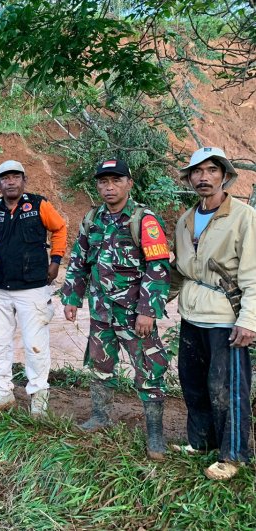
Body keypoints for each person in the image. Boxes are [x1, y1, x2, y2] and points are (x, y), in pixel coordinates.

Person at [61, 159, 171, 460]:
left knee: (149, 371)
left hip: (135, 316)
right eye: (103, 181)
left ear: (129, 183)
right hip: (101, 313)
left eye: (116, 180)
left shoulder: (143, 219)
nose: (109, 187)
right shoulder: (93, 218)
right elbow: (79, 260)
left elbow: (158, 268)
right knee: (100, 366)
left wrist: (148, 310)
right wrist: (72, 297)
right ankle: (101, 415)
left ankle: (155, 434)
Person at [171, 146, 256, 480]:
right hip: (192, 315)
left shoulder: (243, 217)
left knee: (227, 388)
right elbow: (179, 269)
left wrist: (249, 320)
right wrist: (157, 299)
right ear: (190, 178)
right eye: (197, 172)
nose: (203, 177)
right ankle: (201, 442)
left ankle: (234, 455)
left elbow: (252, 273)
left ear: (224, 176)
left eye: (211, 171)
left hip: (226, 318)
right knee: (193, 383)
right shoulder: (186, 219)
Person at [0, 160, 67, 416]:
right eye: (5, 178)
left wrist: (56, 260)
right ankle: (2, 395)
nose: (11, 181)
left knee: (35, 345)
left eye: (16, 177)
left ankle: (38, 399)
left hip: (33, 290)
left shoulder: (38, 205)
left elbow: (59, 229)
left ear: (24, 180)